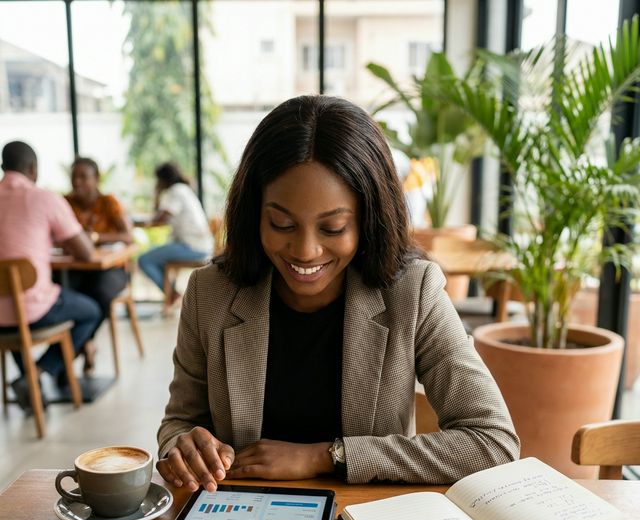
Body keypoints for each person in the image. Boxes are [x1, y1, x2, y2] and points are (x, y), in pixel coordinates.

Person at [156, 95, 519, 492]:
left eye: (332, 228)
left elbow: (493, 443)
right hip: (239, 519)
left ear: (369, 220)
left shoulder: (413, 293)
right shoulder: (210, 293)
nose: (305, 251)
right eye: (281, 223)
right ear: (254, 213)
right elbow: (179, 423)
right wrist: (184, 447)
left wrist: (324, 456)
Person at [0, 141, 101, 410]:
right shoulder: (43, 198)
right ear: (33, 169)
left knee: (12, 318)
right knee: (91, 310)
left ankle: (29, 384)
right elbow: (87, 253)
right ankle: (36, 374)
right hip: (32, 310)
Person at [63, 157, 134, 374]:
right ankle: (82, 346)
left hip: (112, 269)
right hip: (76, 268)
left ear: (96, 179)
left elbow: (127, 235)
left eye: (83, 177)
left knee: (99, 293)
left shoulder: (108, 202)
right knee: (64, 292)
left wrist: (94, 237)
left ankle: (78, 346)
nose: (77, 182)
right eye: (74, 177)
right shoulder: (65, 202)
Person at [138, 162, 213, 311]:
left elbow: (160, 218)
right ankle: (171, 292)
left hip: (192, 247)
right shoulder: (184, 189)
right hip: (200, 244)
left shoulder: (175, 191)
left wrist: (157, 193)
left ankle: (171, 294)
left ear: (163, 179)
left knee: (144, 260)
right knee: (155, 257)